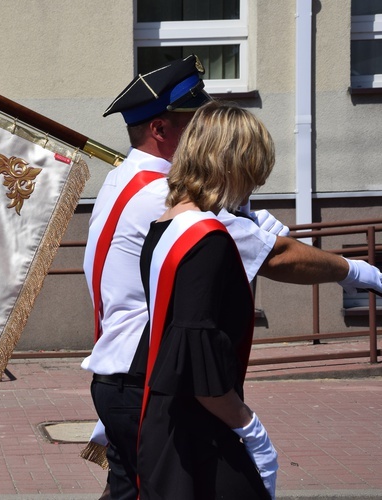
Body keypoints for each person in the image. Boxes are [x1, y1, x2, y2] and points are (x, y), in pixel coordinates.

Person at [81, 55, 382, 500]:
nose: (205, 133)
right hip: (158, 379)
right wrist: (358, 271)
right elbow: (276, 256)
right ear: (161, 130)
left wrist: (243, 213)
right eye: (195, 122)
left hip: (124, 373)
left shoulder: (129, 178)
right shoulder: (172, 203)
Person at [135, 100, 277, 499]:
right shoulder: (208, 238)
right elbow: (199, 366)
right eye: (253, 168)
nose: (257, 183)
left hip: (169, 422)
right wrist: (251, 428)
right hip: (199, 434)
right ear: (232, 165)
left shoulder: (167, 224)